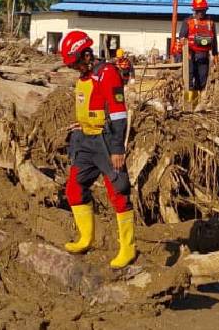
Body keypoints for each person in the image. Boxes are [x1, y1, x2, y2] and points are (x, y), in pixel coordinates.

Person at [58, 30, 136, 269]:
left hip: (105, 141)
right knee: (74, 189)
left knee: (118, 191)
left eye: (75, 63)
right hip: (85, 140)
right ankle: (85, 238)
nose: (74, 68)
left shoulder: (107, 73)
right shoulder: (84, 76)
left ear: (86, 54)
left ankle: (128, 248)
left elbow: (119, 114)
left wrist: (117, 149)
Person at [178, 0, 218, 103]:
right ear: (194, 10)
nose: (200, 13)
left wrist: (216, 58)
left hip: (204, 57)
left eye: (202, 10)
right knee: (188, 81)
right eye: (198, 10)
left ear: (206, 10)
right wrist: (183, 44)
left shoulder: (211, 22)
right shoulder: (187, 22)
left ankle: (198, 104)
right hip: (190, 57)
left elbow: (214, 42)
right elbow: (181, 38)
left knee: (202, 82)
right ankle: (187, 103)